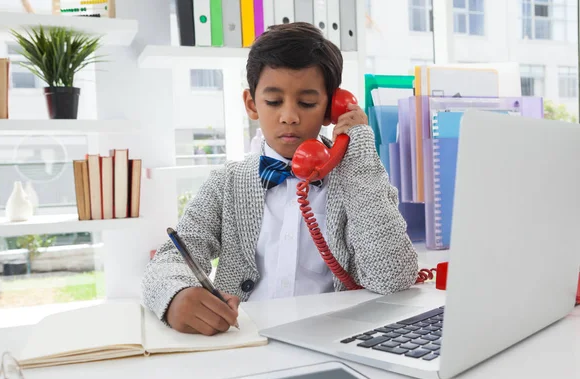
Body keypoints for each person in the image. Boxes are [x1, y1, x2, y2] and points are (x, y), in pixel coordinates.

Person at [142, 22, 419, 336]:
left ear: (332, 108)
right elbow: (170, 258)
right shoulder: (227, 184)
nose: (289, 116)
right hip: (246, 343)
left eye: (307, 103)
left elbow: (393, 277)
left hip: (334, 342)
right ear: (251, 104)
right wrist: (175, 296)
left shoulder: (359, 180)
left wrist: (357, 154)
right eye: (274, 102)